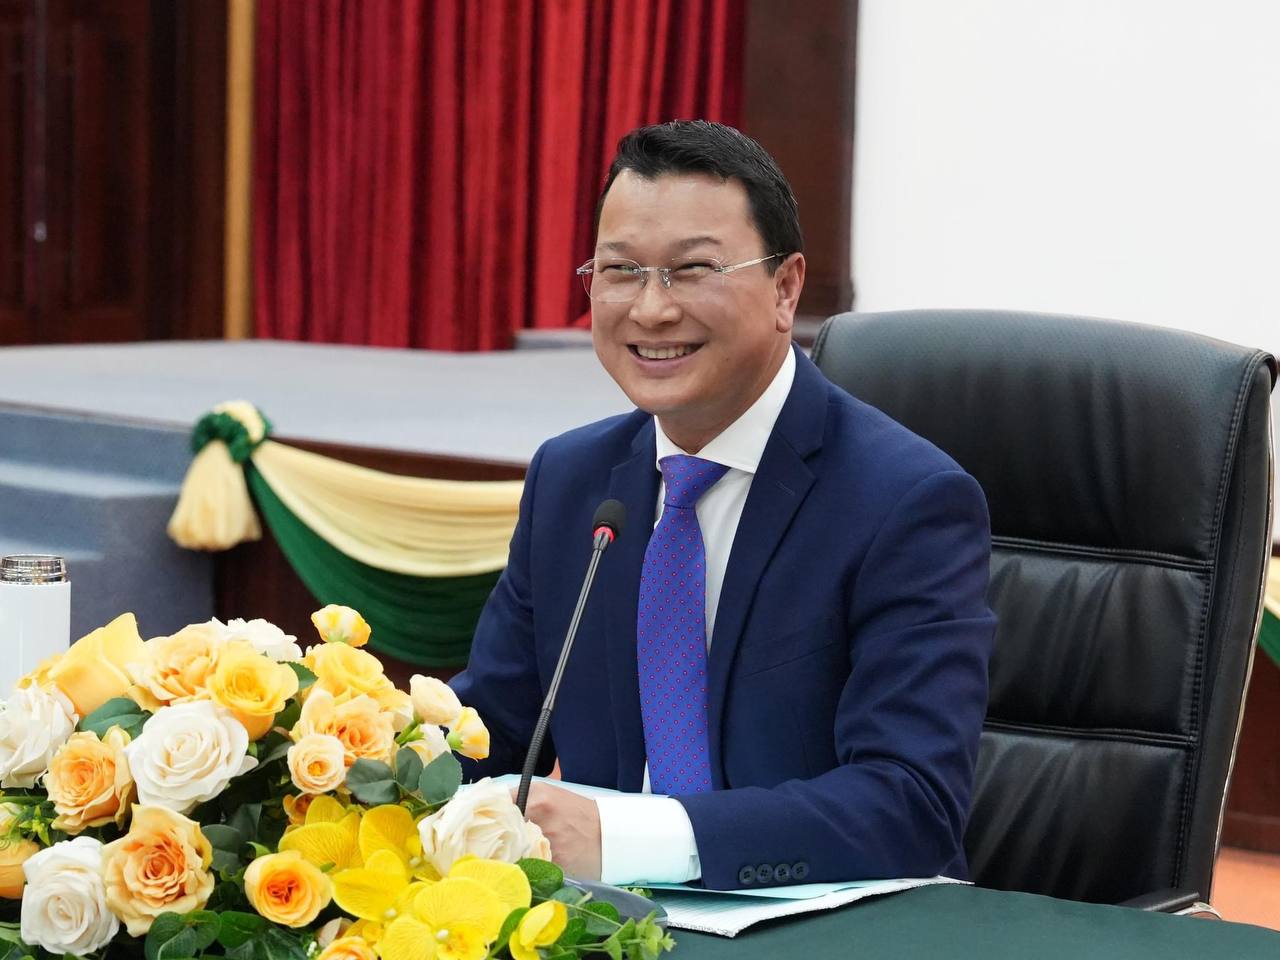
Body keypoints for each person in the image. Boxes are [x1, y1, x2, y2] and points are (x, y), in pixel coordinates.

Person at [450, 120, 996, 890]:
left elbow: (911, 804)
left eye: (692, 270)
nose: (651, 310)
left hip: (831, 920)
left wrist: (629, 838)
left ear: (785, 289)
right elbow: (486, 733)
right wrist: (342, 753)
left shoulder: (905, 501)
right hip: (605, 926)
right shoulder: (573, 482)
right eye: (621, 271)